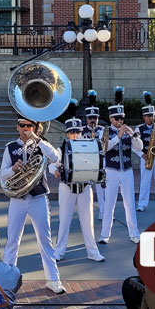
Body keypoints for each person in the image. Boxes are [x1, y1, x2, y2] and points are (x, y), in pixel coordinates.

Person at [0, 113, 64, 294]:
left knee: (45, 240)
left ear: (35, 128)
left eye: (29, 126)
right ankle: (7, 281)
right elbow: (2, 174)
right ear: (17, 126)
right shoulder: (10, 148)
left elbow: (54, 158)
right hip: (17, 199)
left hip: (38, 197)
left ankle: (53, 280)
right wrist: (13, 169)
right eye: (22, 125)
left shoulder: (42, 145)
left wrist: (38, 139)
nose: (25, 129)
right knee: (12, 241)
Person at [49, 100, 105, 262]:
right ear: (67, 133)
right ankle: (59, 251)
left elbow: (97, 163)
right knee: (64, 220)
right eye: (72, 132)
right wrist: (56, 171)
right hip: (66, 187)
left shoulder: (88, 146)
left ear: (81, 132)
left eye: (77, 132)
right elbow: (52, 166)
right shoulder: (63, 148)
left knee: (88, 221)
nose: (75, 135)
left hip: (85, 186)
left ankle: (92, 251)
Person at [99, 87, 142, 245]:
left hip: (127, 171)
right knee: (109, 203)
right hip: (111, 170)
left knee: (129, 203)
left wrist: (133, 137)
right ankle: (104, 235)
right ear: (111, 118)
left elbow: (139, 148)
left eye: (121, 118)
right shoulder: (104, 132)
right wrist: (118, 136)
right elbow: (104, 149)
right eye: (116, 118)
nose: (119, 121)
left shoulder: (128, 131)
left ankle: (134, 233)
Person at [135, 91, 155, 212]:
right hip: (145, 157)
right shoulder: (139, 128)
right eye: (148, 116)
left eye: (152, 115)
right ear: (144, 116)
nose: (150, 118)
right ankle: (142, 204)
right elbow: (134, 145)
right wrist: (141, 154)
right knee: (145, 181)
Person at [82, 90, 105, 220]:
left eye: (95, 118)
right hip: (86, 162)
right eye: (90, 118)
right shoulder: (82, 130)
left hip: (99, 162)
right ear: (86, 119)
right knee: (86, 190)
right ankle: (86, 214)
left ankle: (103, 212)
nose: (93, 121)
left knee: (101, 190)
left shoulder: (102, 130)